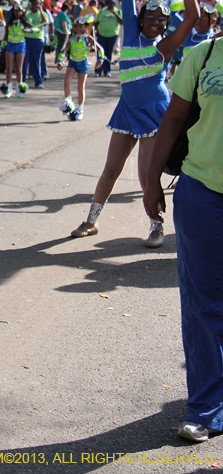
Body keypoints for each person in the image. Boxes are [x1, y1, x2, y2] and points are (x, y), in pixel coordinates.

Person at [70, 0, 202, 247]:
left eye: (161, 20)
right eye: (151, 18)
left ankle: (157, 226)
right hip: (127, 110)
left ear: (167, 24)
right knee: (111, 169)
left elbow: (191, 17)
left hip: (155, 113)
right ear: (141, 19)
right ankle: (92, 221)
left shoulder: (164, 47)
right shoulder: (130, 33)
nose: (155, 23)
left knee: (147, 176)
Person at [143, 35, 223, 444]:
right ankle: (206, 407)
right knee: (203, 305)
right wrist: (152, 179)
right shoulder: (205, 54)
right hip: (203, 191)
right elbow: (173, 118)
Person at [56, 16, 103, 121]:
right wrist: (60, 60)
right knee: (67, 80)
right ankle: (69, 103)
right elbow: (64, 50)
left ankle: (81, 109)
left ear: (85, 27)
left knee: (80, 87)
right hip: (72, 62)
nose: (78, 29)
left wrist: (100, 59)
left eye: (80, 26)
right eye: (76, 26)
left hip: (83, 63)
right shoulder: (71, 38)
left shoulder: (88, 38)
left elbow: (100, 49)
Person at [0, 0, 31, 98]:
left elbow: (36, 29)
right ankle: (8, 89)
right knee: (9, 68)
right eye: (16, 11)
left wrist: (28, 30)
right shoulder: (9, 23)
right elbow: (5, 37)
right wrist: (1, 48)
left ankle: (19, 89)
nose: (18, 13)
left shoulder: (24, 22)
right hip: (10, 45)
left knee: (18, 69)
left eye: (20, 11)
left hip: (20, 46)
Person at [23, 0, 47, 88]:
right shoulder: (28, 14)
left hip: (38, 39)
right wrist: (26, 9)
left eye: (36, 4)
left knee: (36, 61)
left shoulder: (43, 13)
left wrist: (40, 11)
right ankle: (22, 81)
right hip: (27, 39)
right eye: (33, 4)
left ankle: (38, 81)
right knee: (25, 61)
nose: (34, 6)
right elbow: (23, 20)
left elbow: (45, 23)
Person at [95, 0, 122, 76]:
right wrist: (97, 31)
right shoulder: (102, 12)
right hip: (101, 35)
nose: (110, 5)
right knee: (100, 53)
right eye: (108, 4)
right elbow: (96, 22)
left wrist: (115, 14)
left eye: (112, 4)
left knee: (108, 53)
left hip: (112, 35)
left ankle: (107, 71)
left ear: (115, 3)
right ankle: (98, 70)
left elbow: (121, 22)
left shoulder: (118, 11)